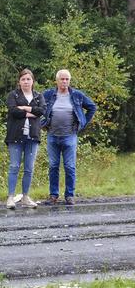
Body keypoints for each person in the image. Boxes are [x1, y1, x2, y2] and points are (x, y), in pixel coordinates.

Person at [42, 69, 97, 205]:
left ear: (69, 81)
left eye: (67, 79)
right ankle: (54, 195)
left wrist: (82, 123)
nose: (64, 81)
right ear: (57, 80)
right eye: (62, 79)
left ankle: (69, 195)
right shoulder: (49, 94)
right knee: (53, 166)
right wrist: (42, 123)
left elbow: (92, 107)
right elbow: (37, 108)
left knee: (70, 166)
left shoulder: (77, 95)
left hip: (70, 136)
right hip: (52, 136)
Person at [4, 69, 46, 209]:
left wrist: (24, 108)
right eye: (23, 79)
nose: (26, 82)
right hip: (15, 136)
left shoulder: (38, 96)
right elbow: (13, 111)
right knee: (14, 166)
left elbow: (41, 111)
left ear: (33, 81)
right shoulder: (13, 95)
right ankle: (10, 197)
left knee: (29, 168)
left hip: (32, 136)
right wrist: (30, 112)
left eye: (28, 79)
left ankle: (25, 196)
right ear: (19, 82)